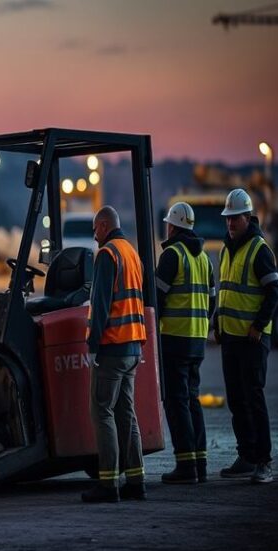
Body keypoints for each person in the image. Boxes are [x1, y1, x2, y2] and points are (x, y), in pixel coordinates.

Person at [215, 188, 278, 484]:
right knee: (237, 400)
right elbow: (226, 290)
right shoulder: (228, 248)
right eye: (228, 218)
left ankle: (264, 462)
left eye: (235, 218)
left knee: (253, 397)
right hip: (231, 338)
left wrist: (258, 325)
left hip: (252, 340)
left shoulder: (258, 249)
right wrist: (218, 321)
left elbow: (274, 291)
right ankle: (247, 455)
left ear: (247, 217)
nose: (230, 223)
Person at [82, 206, 147, 503]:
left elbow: (101, 304)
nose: (94, 236)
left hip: (112, 347)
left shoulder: (107, 254)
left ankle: (108, 484)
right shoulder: (131, 253)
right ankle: (136, 481)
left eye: (96, 229)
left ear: (105, 225)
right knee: (126, 413)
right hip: (133, 347)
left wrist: (92, 346)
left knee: (102, 411)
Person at [156, 202, 216, 484]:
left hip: (174, 339)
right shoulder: (203, 259)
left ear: (172, 226)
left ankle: (185, 465)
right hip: (197, 340)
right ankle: (199, 464)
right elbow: (212, 300)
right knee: (191, 400)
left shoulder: (172, 255)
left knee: (176, 401)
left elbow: (156, 299)